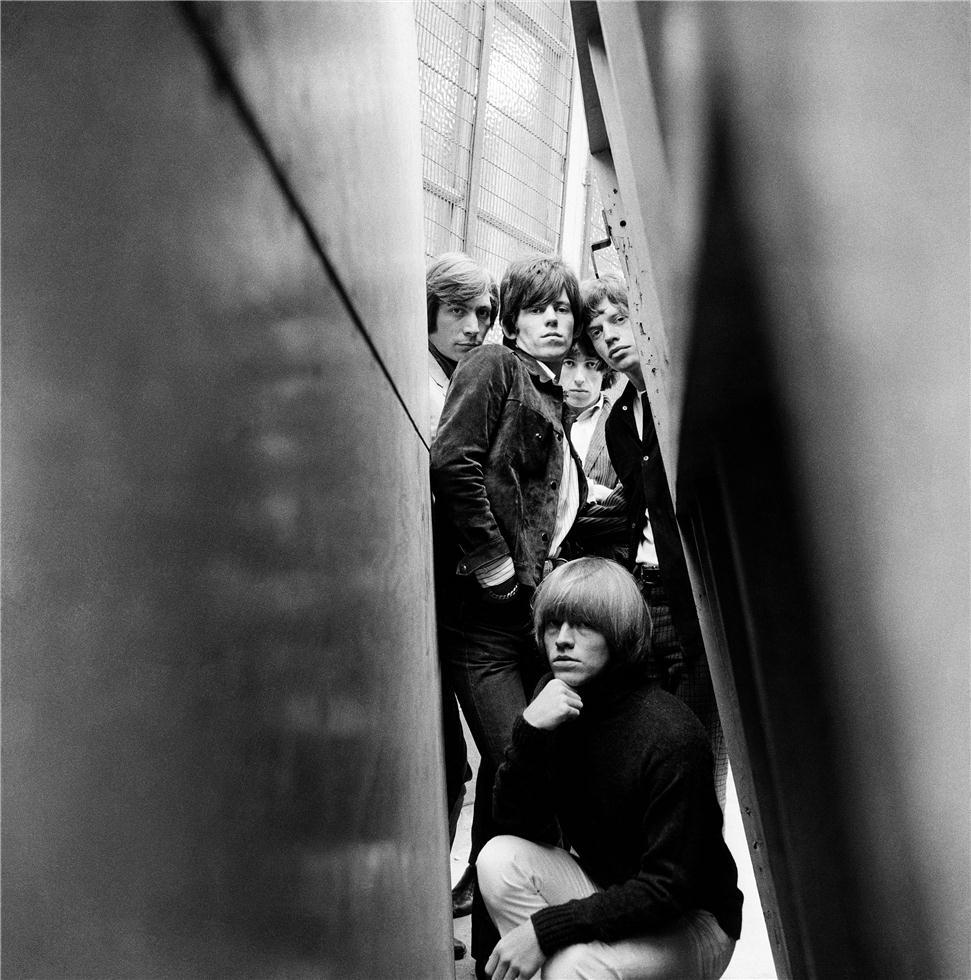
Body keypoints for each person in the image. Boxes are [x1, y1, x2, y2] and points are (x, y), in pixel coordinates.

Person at [430, 254, 586, 975]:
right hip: (484, 616)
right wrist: (493, 563)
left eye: (564, 309)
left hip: (522, 614)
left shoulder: (552, 396)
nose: (554, 319)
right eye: (538, 308)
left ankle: (498, 959)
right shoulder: (494, 367)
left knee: (506, 781)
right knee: (519, 764)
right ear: (514, 320)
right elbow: (453, 460)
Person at [478, 558, 742, 980]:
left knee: (569, 966)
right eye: (552, 625)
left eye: (583, 625)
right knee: (498, 859)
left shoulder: (669, 734)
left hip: (692, 920)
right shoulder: (555, 700)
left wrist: (547, 931)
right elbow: (515, 822)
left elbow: (669, 887)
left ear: (618, 635)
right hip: (611, 888)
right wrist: (529, 732)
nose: (562, 640)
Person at [582, 275, 728, 801]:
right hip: (640, 598)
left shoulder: (688, 396)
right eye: (597, 331)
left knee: (698, 748)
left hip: (694, 597)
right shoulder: (621, 416)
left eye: (620, 320)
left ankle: (705, 877)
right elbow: (637, 508)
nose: (610, 338)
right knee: (649, 748)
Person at [425, 252, 499, 946]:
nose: (474, 327)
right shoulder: (425, 387)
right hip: (426, 604)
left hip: (450, 604)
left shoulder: (459, 383)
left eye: (483, 315)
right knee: (442, 760)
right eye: (459, 313)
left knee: (453, 763)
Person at [559, 333, 629, 564]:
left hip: (611, 567)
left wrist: (567, 504)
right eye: (569, 363)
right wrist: (595, 493)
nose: (579, 378)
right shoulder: (540, 419)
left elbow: (629, 512)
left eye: (591, 364)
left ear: (606, 369)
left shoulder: (623, 421)